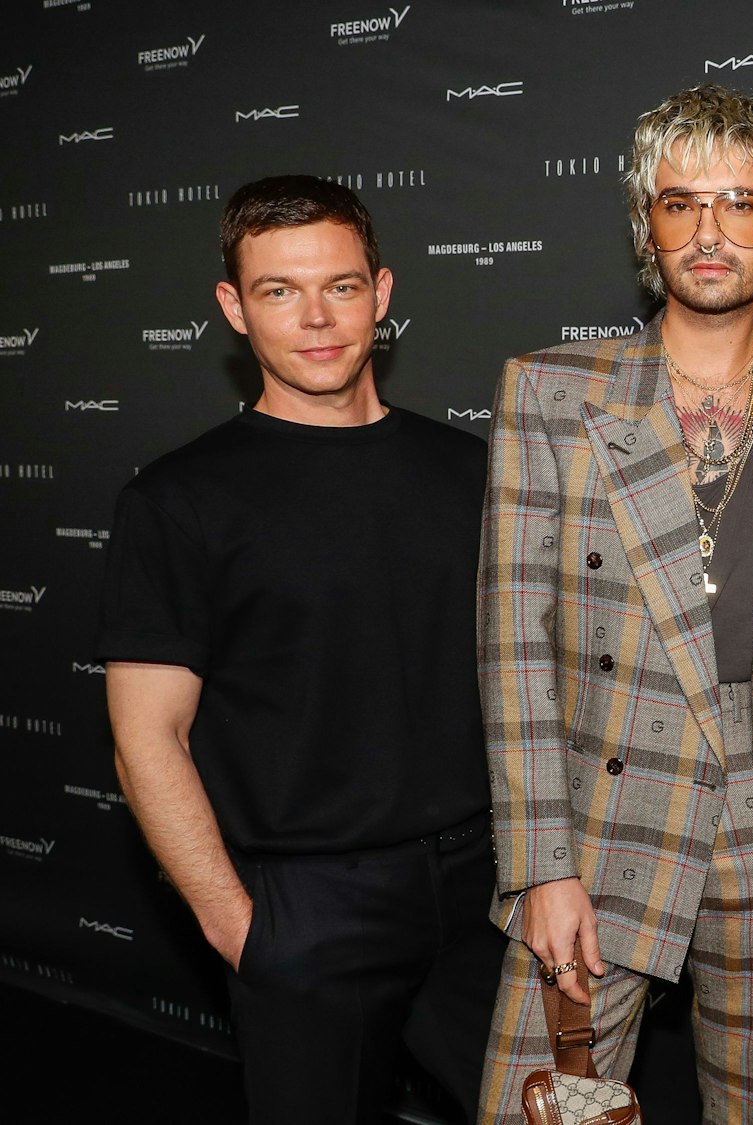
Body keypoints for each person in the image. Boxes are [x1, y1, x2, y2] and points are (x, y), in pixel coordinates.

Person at [100, 175, 503, 1122]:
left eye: (342, 286)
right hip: (307, 905)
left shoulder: (473, 471)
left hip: (486, 890)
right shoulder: (177, 499)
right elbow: (145, 739)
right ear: (234, 308)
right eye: (280, 291)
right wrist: (237, 926)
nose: (317, 318)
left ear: (384, 292)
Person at [473, 85, 753, 1125]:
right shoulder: (552, 392)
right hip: (601, 830)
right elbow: (511, 648)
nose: (709, 233)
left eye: (739, 203)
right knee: (539, 1110)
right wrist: (539, 866)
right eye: (679, 204)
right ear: (645, 226)